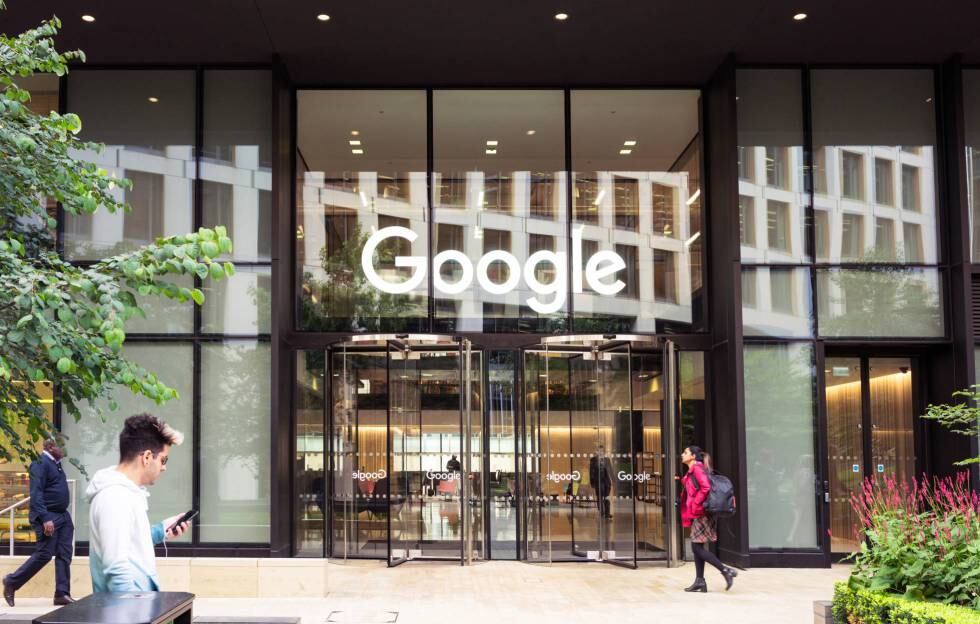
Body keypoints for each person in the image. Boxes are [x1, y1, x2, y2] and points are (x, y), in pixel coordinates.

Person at [86, 414, 191, 592]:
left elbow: (126, 545)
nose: (164, 467)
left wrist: (161, 531)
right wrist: (130, 613)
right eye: (164, 459)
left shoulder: (125, 493)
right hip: (127, 613)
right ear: (147, 457)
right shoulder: (115, 497)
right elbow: (116, 567)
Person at [3, 439, 75, 606]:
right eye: (61, 446)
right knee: (44, 554)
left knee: (64, 554)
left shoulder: (56, 463)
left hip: (62, 516)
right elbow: (36, 493)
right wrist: (45, 518)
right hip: (48, 516)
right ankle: (12, 582)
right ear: (50, 447)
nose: (64, 450)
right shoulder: (40, 463)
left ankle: (61, 594)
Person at [680, 446, 737, 593]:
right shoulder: (694, 470)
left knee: (696, 546)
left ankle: (725, 570)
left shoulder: (697, 469)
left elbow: (705, 487)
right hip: (700, 512)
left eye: (685, 452)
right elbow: (694, 487)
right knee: (697, 546)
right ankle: (700, 581)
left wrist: (696, 504)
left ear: (693, 456)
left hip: (701, 512)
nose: (682, 455)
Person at [589, 451, 613, 519]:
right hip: (598, 481)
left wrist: (613, 480)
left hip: (606, 481)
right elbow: (591, 471)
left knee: (606, 497)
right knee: (599, 497)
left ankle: (607, 513)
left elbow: (610, 470)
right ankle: (602, 511)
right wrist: (592, 481)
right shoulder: (593, 460)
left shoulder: (607, 459)